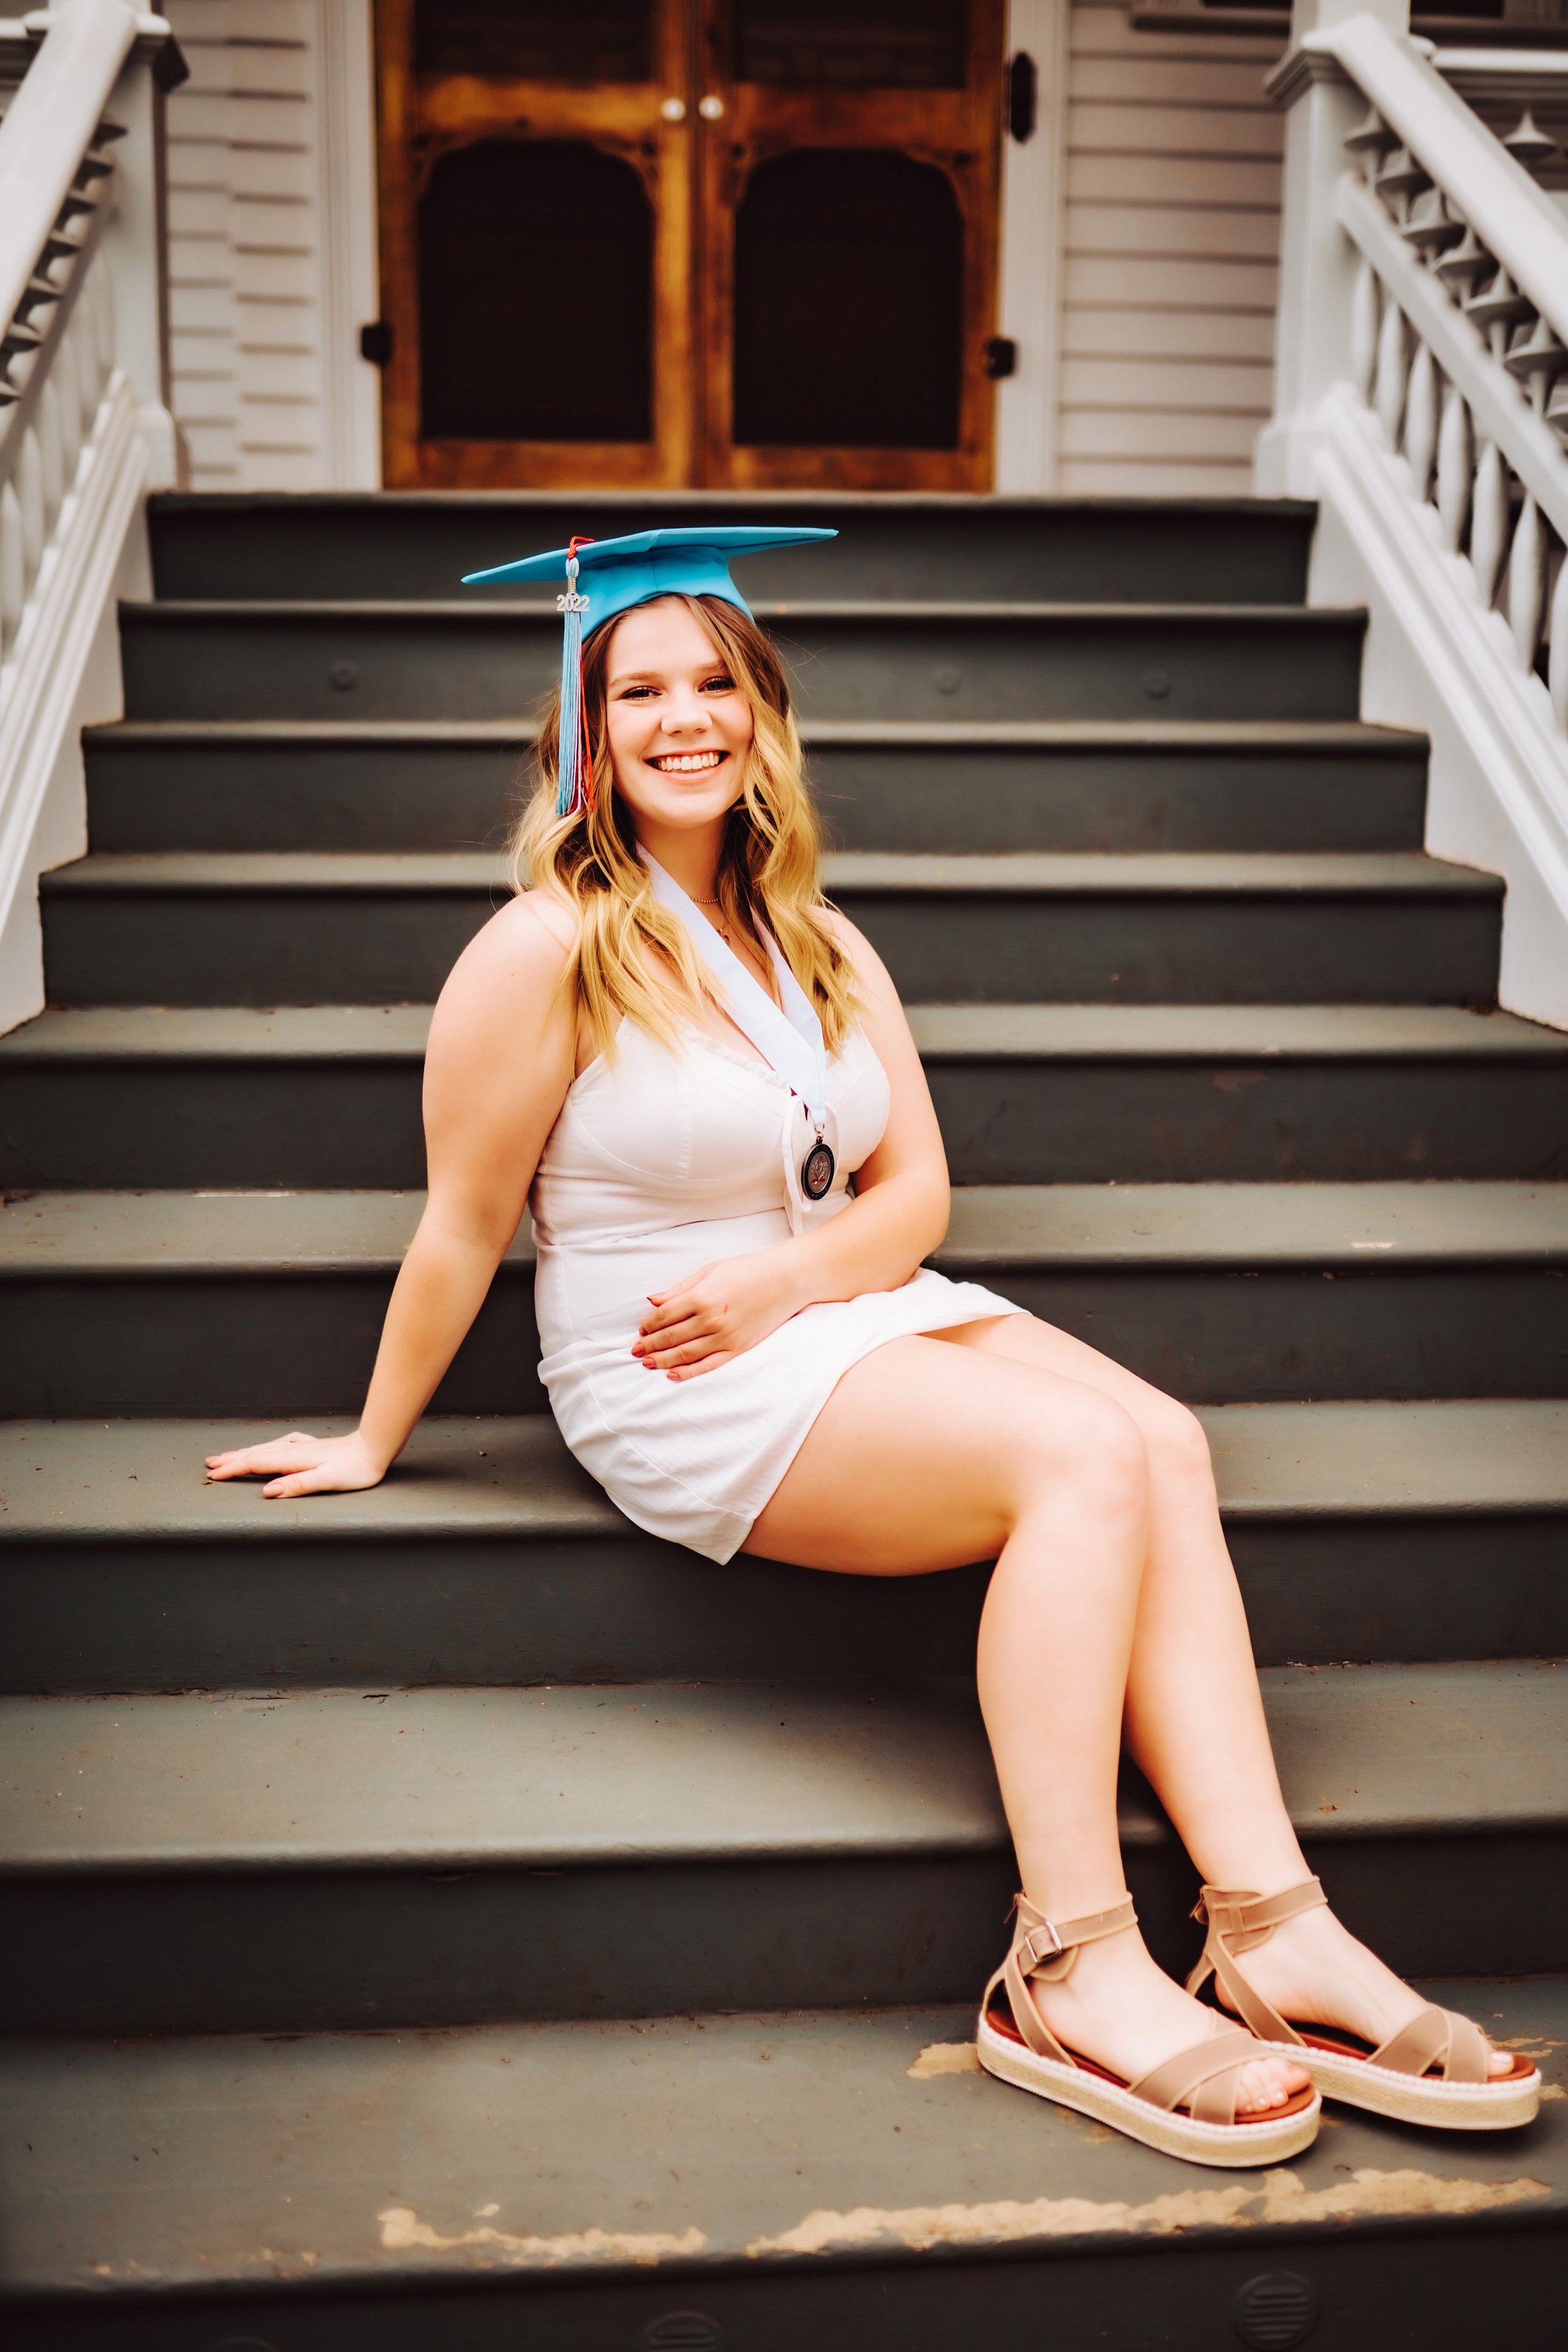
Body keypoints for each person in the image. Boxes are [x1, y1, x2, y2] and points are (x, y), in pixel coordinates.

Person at [206, 528, 1539, 2165]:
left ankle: (1270, 1926)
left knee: (1163, 1439)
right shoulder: (544, 946)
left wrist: (792, 1279)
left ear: (764, 717)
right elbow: (461, 1227)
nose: (683, 718)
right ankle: (1071, 1963)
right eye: (639, 691)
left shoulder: (822, 942)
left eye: (716, 684)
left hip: (830, 1302)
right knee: (1074, 1456)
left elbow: (917, 1194)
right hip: (670, 1367)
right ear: (585, 731)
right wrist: (369, 1438)